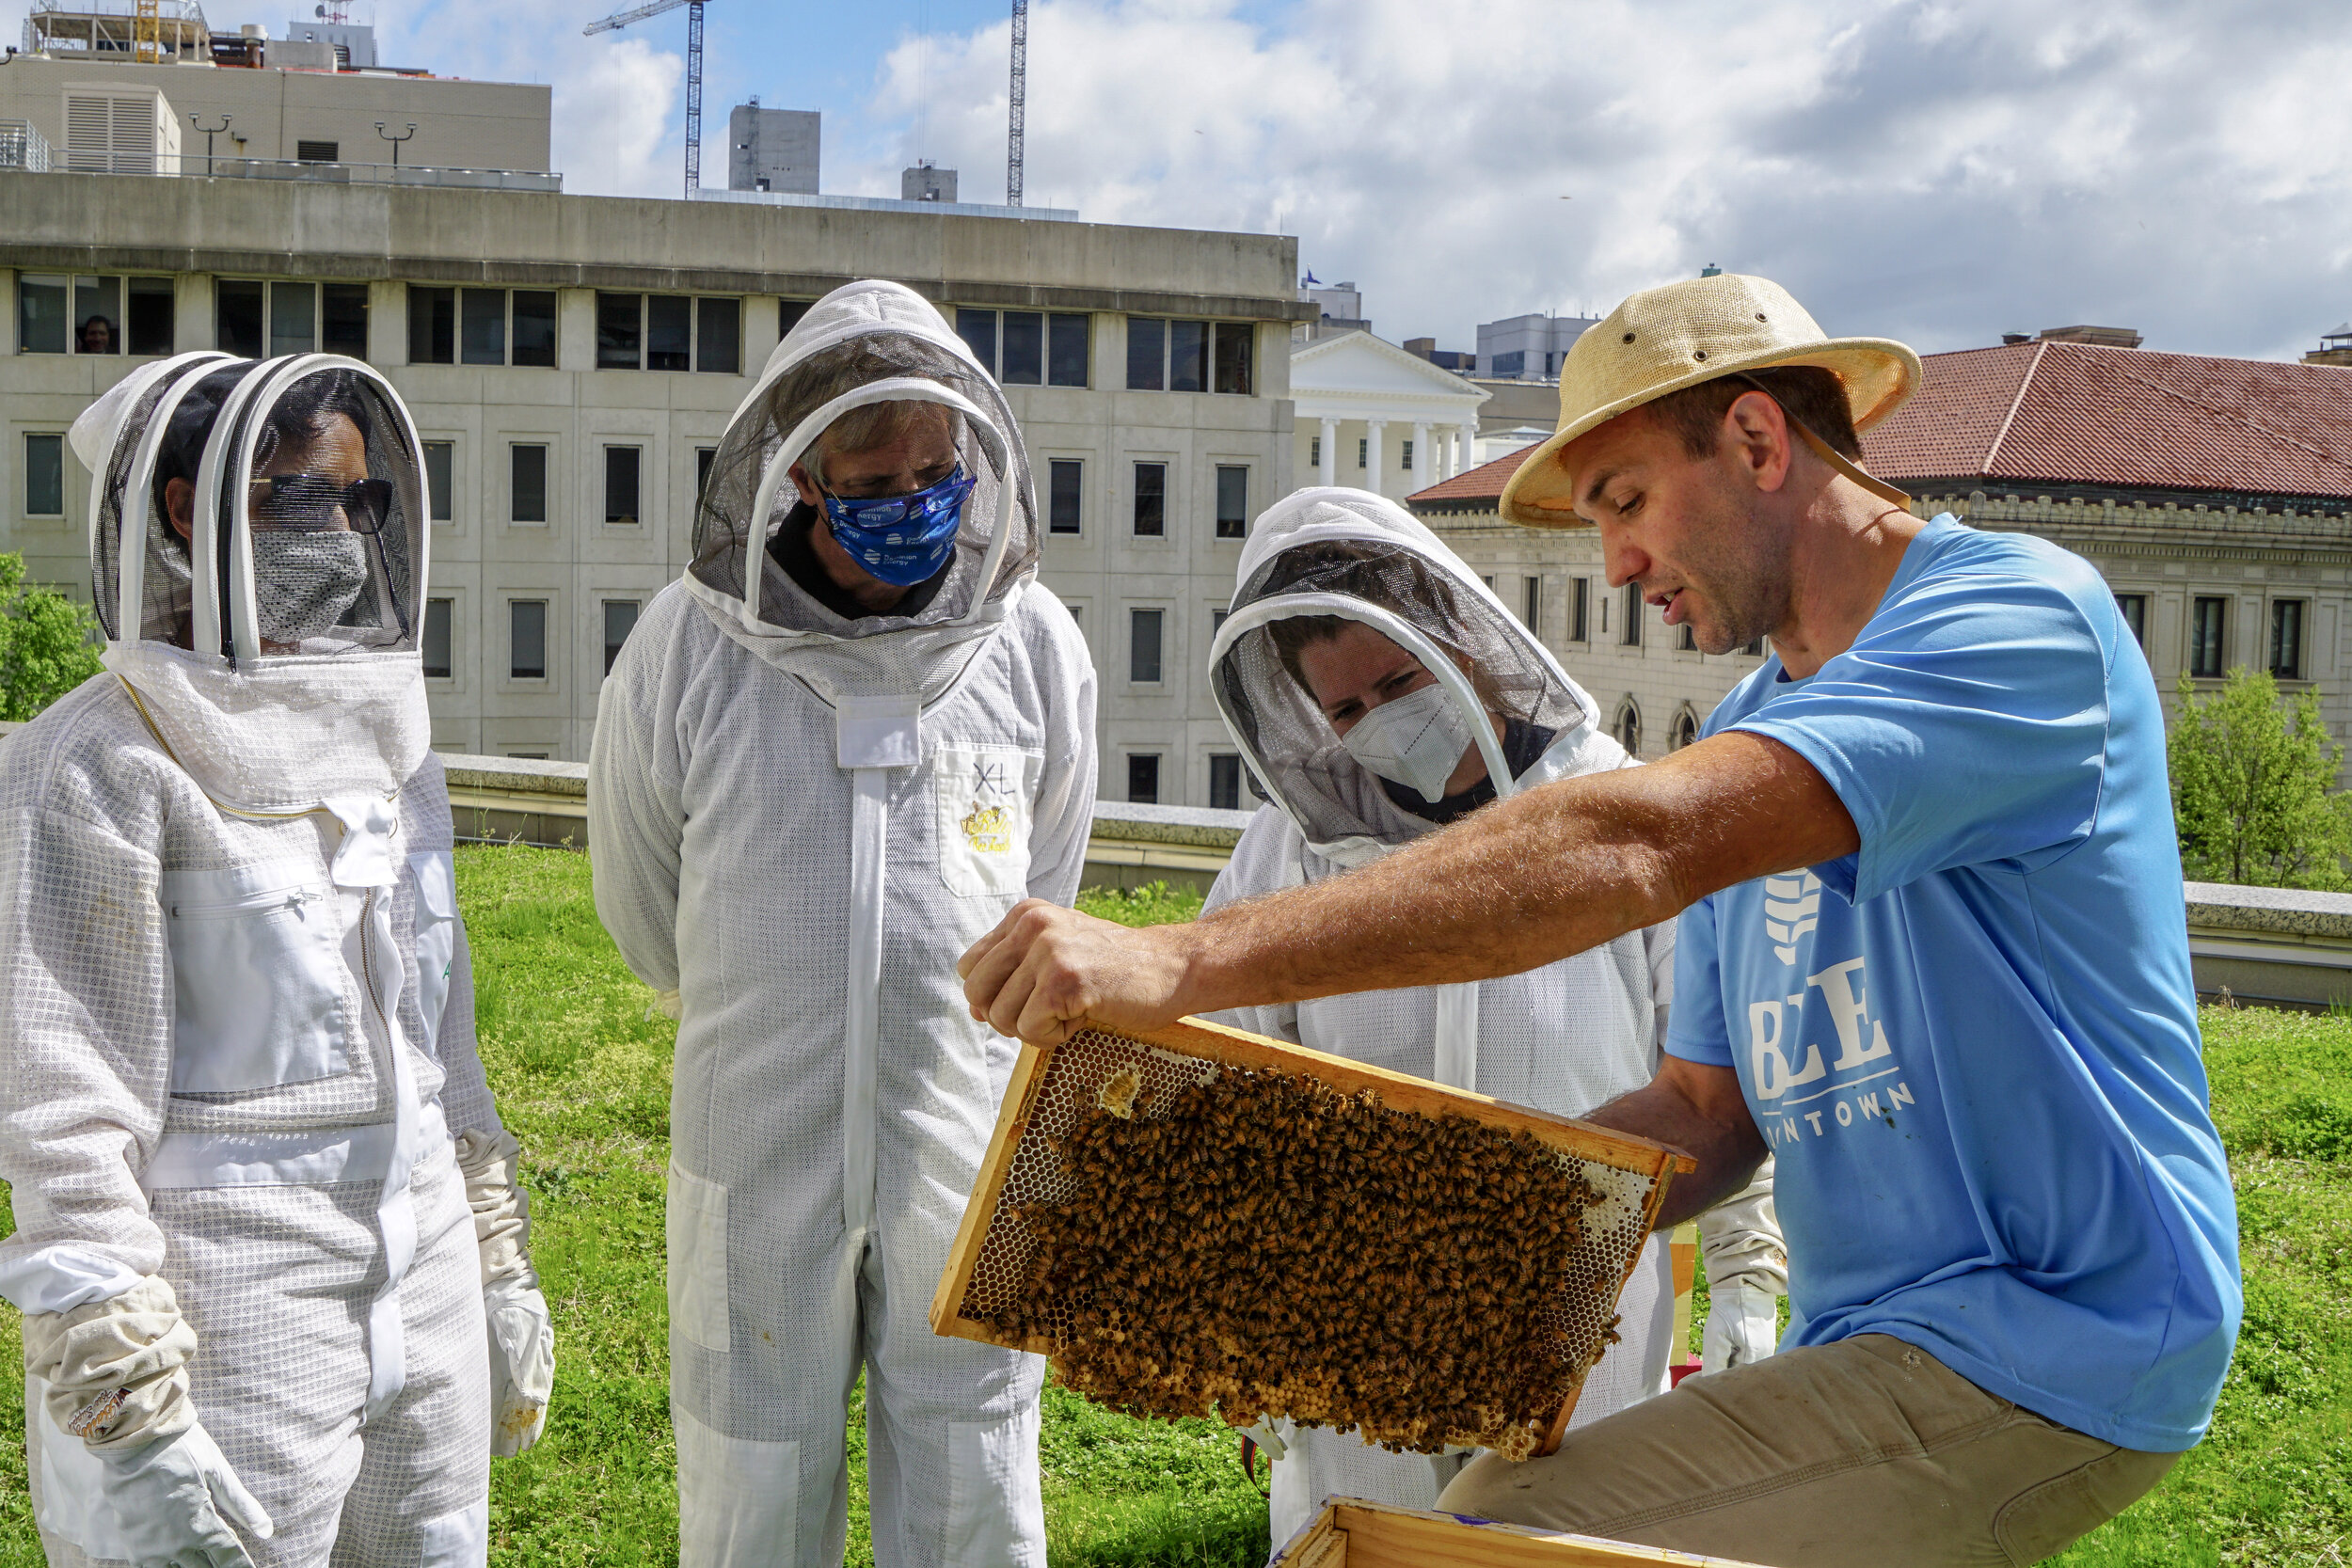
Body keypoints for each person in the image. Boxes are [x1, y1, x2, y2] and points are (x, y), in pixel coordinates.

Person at [960, 273, 2239, 1567]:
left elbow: (1633, 838)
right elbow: (1702, 1114)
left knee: (1487, 1535)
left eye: (1625, 502)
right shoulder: (1751, 724)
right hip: (1884, 1339)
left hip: (2068, 1327)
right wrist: (1412, 1239)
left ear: (1756, 440)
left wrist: (1180, 959)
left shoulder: (2014, 619)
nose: (1618, 565)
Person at [0, 350, 554, 1568]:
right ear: (189, 507)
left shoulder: (394, 742)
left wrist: (496, 1244)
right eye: (313, 497)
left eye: (364, 501)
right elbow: (62, 1105)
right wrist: (121, 1385)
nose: (349, 531)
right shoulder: (93, 762)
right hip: (230, 1306)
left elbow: (432, 1026)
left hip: (426, 1267)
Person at [589, 279, 1097, 1568]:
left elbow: (1051, 882)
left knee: (976, 1478)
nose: (914, 485)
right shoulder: (687, 648)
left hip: (970, 1139)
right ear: (801, 466)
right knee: (752, 1487)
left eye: (938, 460)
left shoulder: (1033, 643)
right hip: (757, 1143)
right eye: (876, 460)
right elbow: (646, 907)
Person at [1197, 486, 1782, 1547]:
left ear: (1464, 642)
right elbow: (1229, 1088)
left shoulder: (1613, 817)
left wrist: (1747, 1270)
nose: (1381, 720)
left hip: (1577, 1312)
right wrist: (1250, 1319)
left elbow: (1720, 1071)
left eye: (1399, 681)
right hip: (1346, 1315)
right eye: (1344, 710)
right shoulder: (1284, 854)